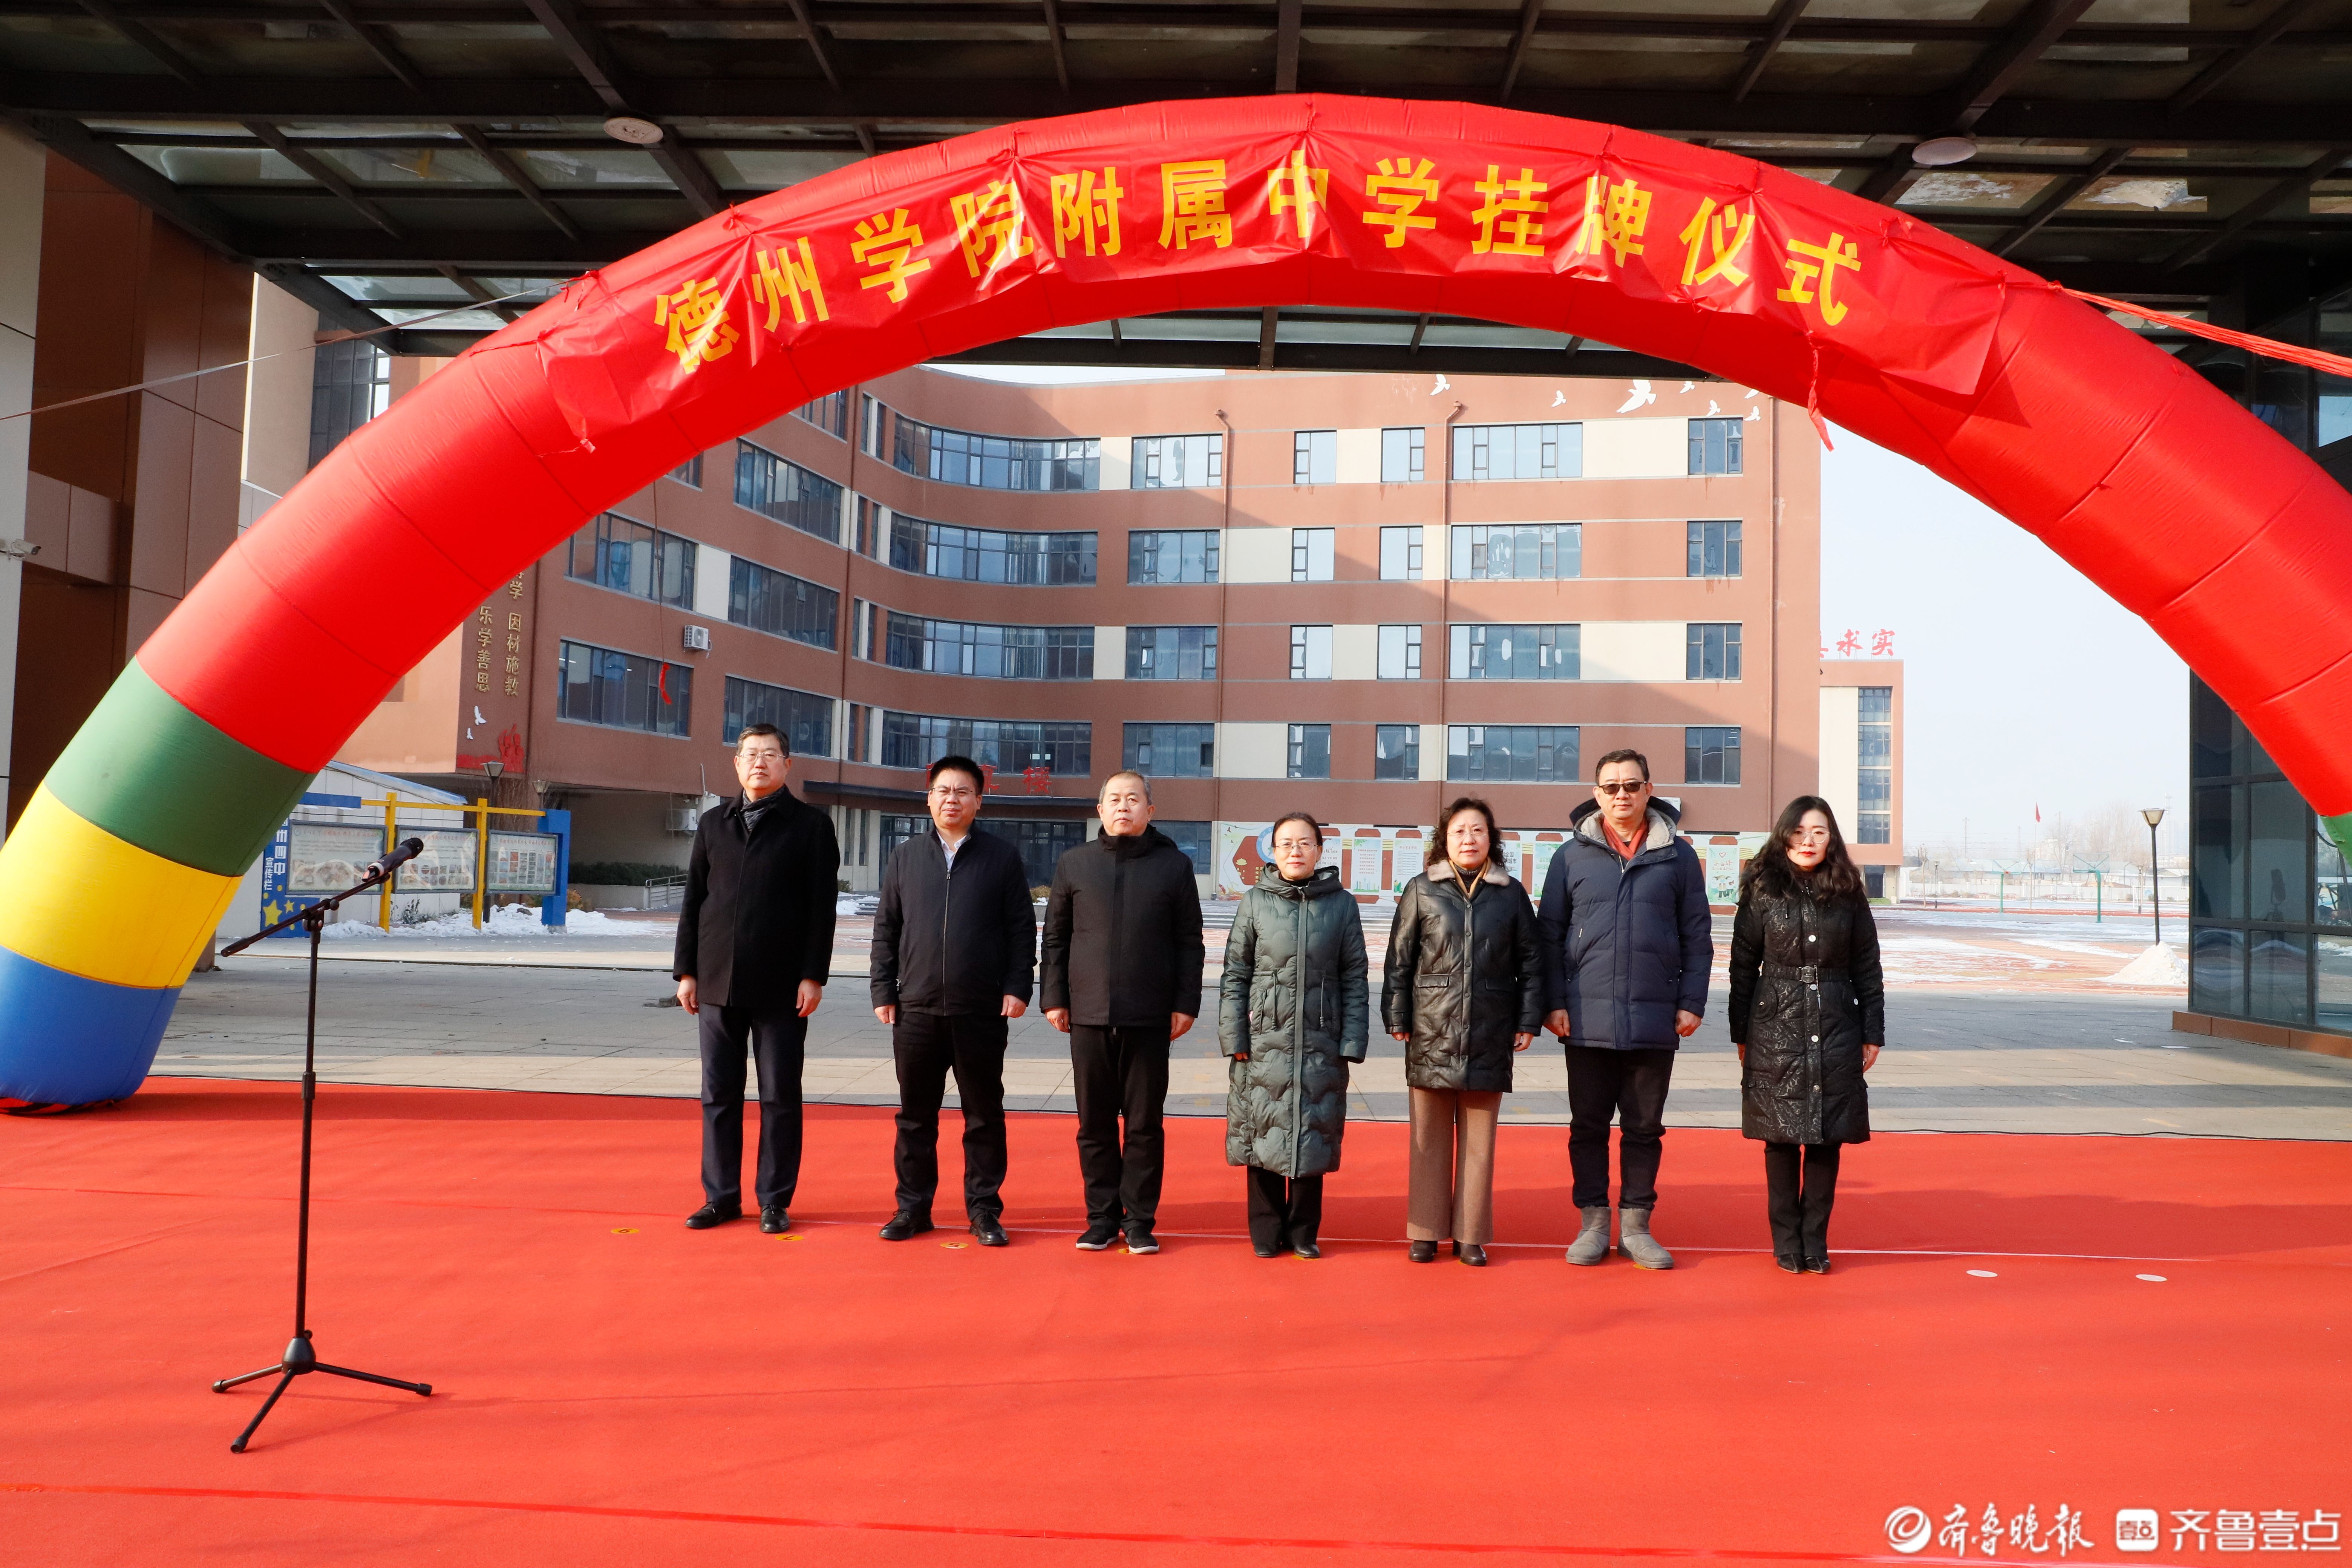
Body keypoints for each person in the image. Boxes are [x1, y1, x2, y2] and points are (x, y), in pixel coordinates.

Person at [1537, 748, 1712, 1270]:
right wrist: (1553, 1002)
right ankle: (1593, 1221)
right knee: (1587, 1126)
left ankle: (1636, 1225)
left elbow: (1697, 935)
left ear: (1648, 790)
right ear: (1597, 794)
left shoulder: (1677, 856)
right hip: (1585, 1019)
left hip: (1654, 1016)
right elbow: (1549, 935)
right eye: (1611, 787)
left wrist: (1691, 1000)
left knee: (1644, 1128)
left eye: (1631, 786)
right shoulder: (1570, 857)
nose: (1622, 795)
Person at [673, 723, 839, 1233]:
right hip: (718, 981)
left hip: (782, 986)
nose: (759, 763)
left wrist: (813, 975)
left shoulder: (811, 826)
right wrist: (687, 971)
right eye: (751, 755)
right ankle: (721, 1196)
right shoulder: (714, 824)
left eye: (770, 755)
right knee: (718, 1094)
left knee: (779, 1096)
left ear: (788, 765)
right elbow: (695, 901)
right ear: (737, 764)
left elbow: (822, 909)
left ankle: (774, 1199)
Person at [869, 755, 1037, 1248]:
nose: (952, 799)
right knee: (915, 1117)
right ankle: (912, 1208)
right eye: (943, 790)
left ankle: (984, 1211)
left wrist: (1017, 986)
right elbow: (887, 931)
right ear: (929, 798)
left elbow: (1021, 931)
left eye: (963, 791)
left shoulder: (1002, 858)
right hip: (916, 1009)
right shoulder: (905, 858)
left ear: (979, 801)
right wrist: (884, 989)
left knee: (984, 1116)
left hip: (980, 1011)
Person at [1041, 771, 1205, 1254]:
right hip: (1087, 1014)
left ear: (1150, 811)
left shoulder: (1174, 867)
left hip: (1151, 1016)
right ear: (1100, 809)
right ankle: (1100, 1217)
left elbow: (1189, 943)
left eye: (1133, 799)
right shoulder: (1075, 864)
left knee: (1143, 1125)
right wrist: (1055, 996)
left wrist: (1185, 1003)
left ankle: (1140, 1220)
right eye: (1114, 799)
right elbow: (1056, 937)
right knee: (1093, 1123)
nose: (1123, 807)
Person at [1382, 797, 1542, 1266]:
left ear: (1491, 838)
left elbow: (1532, 963)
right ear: (1444, 840)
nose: (1468, 839)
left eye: (1477, 831)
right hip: (1431, 1027)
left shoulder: (1511, 894)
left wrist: (1528, 1019)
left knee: (1479, 1139)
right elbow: (1399, 961)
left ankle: (1471, 1233)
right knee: (1428, 1136)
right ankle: (1427, 1231)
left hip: (1491, 1029)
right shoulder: (1421, 889)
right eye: (1459, 832)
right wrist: (1399, 1016)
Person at [1728, 796, 1885, 1274]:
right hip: (1775, 1019)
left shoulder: (1848, 890)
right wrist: (1742, 1032)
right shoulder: (1762, 888)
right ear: (1783, 835)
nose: (1808, 841)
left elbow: (1867, 965)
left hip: (1837, 1017)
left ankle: (1815, 1241)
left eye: (1818, 832)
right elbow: (1742, 964)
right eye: (1798, 831)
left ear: (1831, 837)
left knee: (1825, 1136)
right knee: (1780, 1134)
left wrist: (1872, 1029)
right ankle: (1786, 1242)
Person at [1218, 812, 1369, 1259]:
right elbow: (1235, 975)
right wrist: (1235, 1035)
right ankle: (1265, 1229)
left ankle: (1304, 1229)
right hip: (1264, 1036)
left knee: (1312, 1130)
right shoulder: (1254, 902)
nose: (1296, 851)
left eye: (1305, 843)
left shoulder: (1342, 905)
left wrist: (1353, 1039)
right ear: (1273, 851)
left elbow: (1355, 976)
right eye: (1286, 844)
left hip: (1321, 1037)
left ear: (1320, 851)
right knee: (1261, 1126)